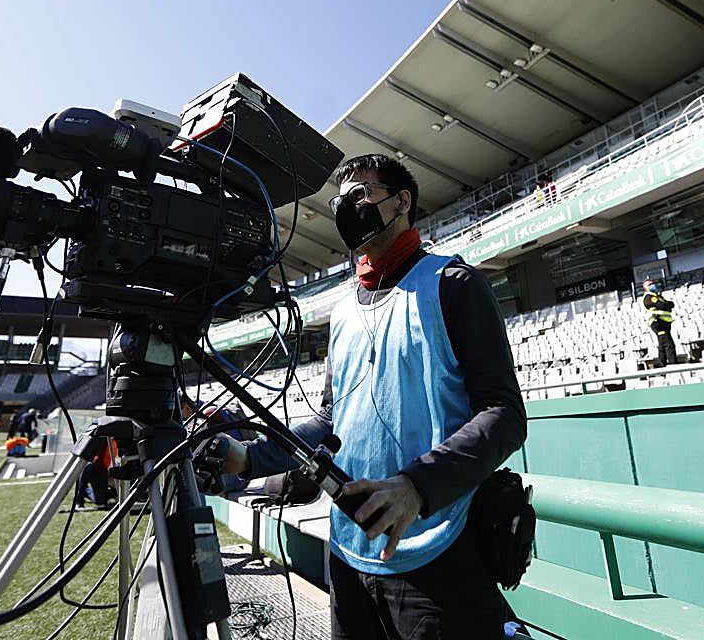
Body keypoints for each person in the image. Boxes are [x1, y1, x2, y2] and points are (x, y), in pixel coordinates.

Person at [219, 153, 527, 640]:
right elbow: (329, 421)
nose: (347, 208)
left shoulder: (454, 284)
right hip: (346, 551)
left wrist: (415, 486)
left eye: (361, 195)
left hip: (437, 548)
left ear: (402, 201)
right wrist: (247, 457)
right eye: (340, 200)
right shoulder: (341, 311)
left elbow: (505, 414)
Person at [641, 278, 677, 367]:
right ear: (645, 288)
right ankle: (673, 365)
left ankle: (663, 365)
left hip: (664, 323)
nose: (652, 285)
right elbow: (663, 305)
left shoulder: (657, 296)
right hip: (658, 323)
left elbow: (670, 304)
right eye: (649, 285)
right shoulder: (649, 297)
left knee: (662, 345)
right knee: (668, 345)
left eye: (652, 283)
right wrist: (667, 305)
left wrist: (667, 305)